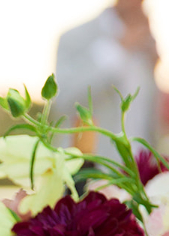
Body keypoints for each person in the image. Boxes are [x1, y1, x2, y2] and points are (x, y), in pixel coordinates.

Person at [54, 0, 160, 151]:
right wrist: (119, 48)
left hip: (138, 160)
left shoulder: (146, 41)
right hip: (90, 159)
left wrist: (153, 65)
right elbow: (65, 98)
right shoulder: (74, 36)